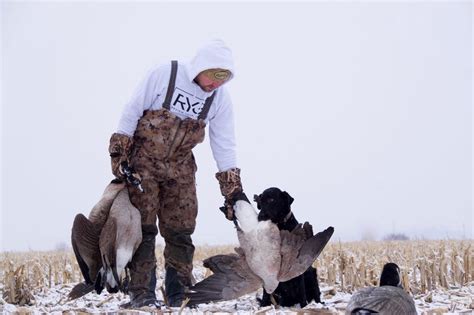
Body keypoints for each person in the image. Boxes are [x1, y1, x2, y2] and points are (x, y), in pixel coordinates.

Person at [108, 39, 243, 308]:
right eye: (215, 74)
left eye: (225, 77)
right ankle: (141, 293)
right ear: (202, 65)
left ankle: (179, 293)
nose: (218, 82)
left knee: (181, 231)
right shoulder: (165, 75)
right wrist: (119, 155)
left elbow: (224, 144)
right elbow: (131, 111)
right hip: (143, 165)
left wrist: (234, 190)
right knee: (143, 230)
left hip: (181, 169)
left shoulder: (219, 99)